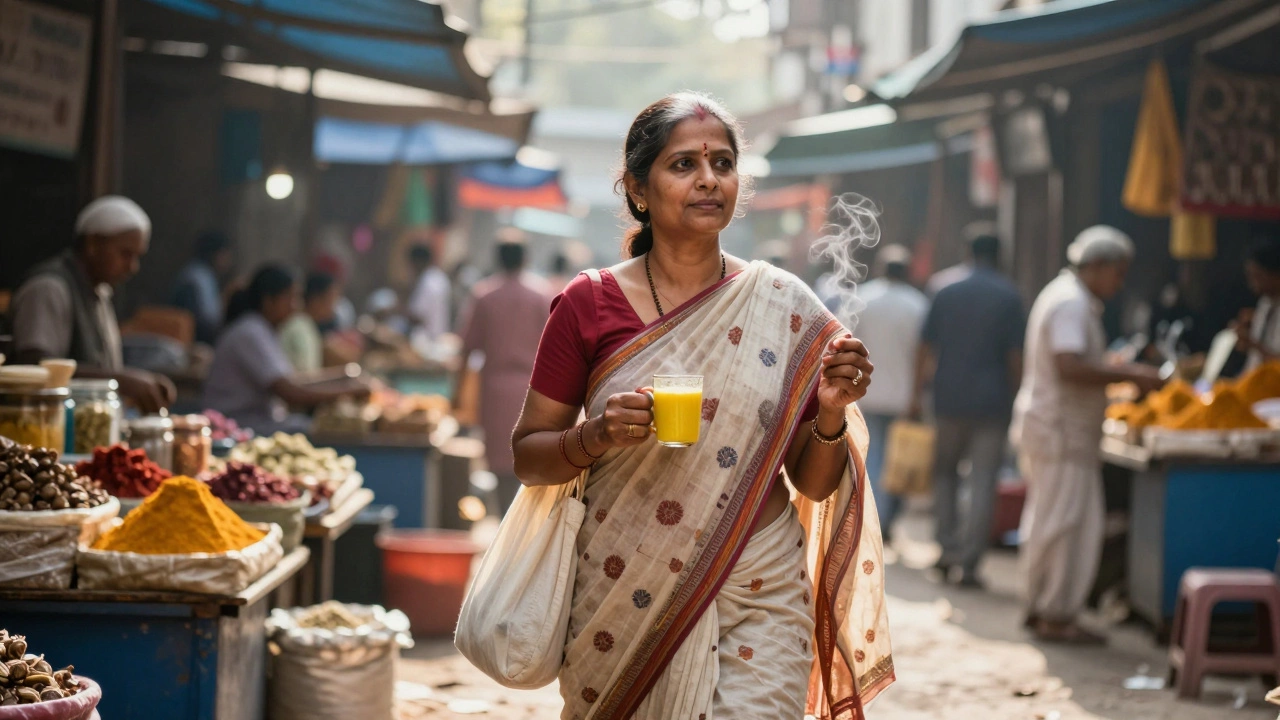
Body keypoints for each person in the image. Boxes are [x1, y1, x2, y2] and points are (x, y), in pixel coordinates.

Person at [509, 92, 892, 719]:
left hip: (760, 581)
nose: (709, 179)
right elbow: (529, 456)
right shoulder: (589, 303)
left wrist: (828, 412)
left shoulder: (783, 303)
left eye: (723, 163)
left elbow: (815, 486)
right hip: (628, 586)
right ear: (637, 187)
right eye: (683, 164)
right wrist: (597, 436)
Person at [1011, 226, 1164, 644]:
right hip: (1061, 431)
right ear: (1096, 266)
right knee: (1067, 524)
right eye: (1117, 273)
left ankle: (1044, 607)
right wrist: (1130, 373)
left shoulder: (1067, 298)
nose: (1119, 283)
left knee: (1053, 520)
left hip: (1057, 429)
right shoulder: (1071, 303)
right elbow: (1068, 365)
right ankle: (1054, 615)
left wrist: (1113, 368)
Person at [911, 231, 1024, 588]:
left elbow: (925, 347)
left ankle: (947, 551)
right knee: (983, 481)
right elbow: (1015, 358)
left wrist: (916, 394)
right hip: (993, 401)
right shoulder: (1010, 295)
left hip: (947, 398)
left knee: (944, 474)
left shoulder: (943, 288)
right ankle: (971, 563)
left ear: (967, 251)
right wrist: (1016, 395)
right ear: (1000, 254)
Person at [8, 196, 175, 413]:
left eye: (136, 256)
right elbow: (36, 367)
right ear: (93, 244)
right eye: (125, 254)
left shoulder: (99, 293)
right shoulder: (49, 288)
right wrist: (122, 381)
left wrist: (137, 382)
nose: (132, 267)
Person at [203, 265, 370, 433]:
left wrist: (343, 375)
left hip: (257, 421)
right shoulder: (250, 333)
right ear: (269, 301)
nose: (296, 305)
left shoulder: (263, 330)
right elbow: (289, 392)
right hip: (240, 426)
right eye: (291, 298)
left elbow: (291, 380)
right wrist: (350, 390)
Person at [456, 234, 553, 511]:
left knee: (500, 465)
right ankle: (526, 527)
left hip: (495, 390)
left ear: (497, 259)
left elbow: (466, 349)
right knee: (531, 460)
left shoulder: (485, 295)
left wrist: (457, 394)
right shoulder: (541, 295)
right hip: (534, 389)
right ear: (526, 258)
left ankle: (504, 524)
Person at [851, 244, 928, 540]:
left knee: (873, 455)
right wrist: (918, 395)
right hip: (903, 394)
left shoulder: (864, 298)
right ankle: (884, 520)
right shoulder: (917, 304)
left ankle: (873, 518)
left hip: (865, 390)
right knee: (896, 460)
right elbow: (924, 354)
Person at [172, 231, 234, 345]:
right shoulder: (198, 276)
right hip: (191, 339)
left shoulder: (203, 274)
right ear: (215, 254)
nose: (228, 259)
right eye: (225, 254)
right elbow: (209, 319)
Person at [1232, 236, 1280, 372]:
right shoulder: (1265, 304)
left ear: (1275, 275)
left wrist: (1253, 345)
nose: (1252, 284)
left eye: (1257, 276)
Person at [279, 271, 339, 374]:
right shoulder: (297, 327)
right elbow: (306, 377)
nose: (334, 307)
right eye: (331, 299)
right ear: (316, 300)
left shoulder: (307, 325)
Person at [407, 244, 451, 342]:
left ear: (417, 261)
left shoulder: (426, 281)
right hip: (440, 335)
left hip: (425, 339)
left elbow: (417, 316)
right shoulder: (440, 277)